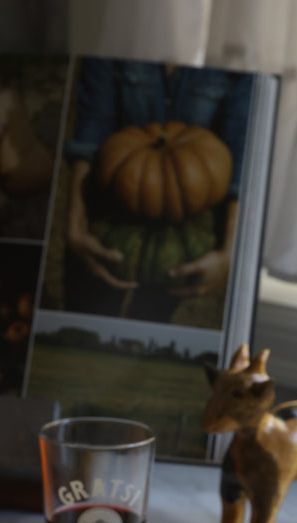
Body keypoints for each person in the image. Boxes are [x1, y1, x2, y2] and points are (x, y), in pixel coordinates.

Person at [62, 57, 254, 323]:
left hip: (186, 224)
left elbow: (240, 144)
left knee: (149, 323)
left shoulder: (237, 48)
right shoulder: (117, 31)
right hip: (110, 210)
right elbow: (92, 125)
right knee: (84, 315)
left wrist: (230, 251)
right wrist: (74, 226)